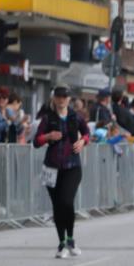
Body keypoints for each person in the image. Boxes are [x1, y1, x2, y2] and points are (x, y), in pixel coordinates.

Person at [34, 86, 90, 257]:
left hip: (72, 167)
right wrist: (48, 136)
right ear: (54, 98)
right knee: (57, 206)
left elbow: (87, 133)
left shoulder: (75, 116)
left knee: (67, 202)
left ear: (69, 99)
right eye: (58, 97)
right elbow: (36, 141)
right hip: (52, 167)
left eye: (64, 97)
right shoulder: (47, 118)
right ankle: (62, 244)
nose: (61, 100)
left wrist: (82, 142)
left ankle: (71, 239)